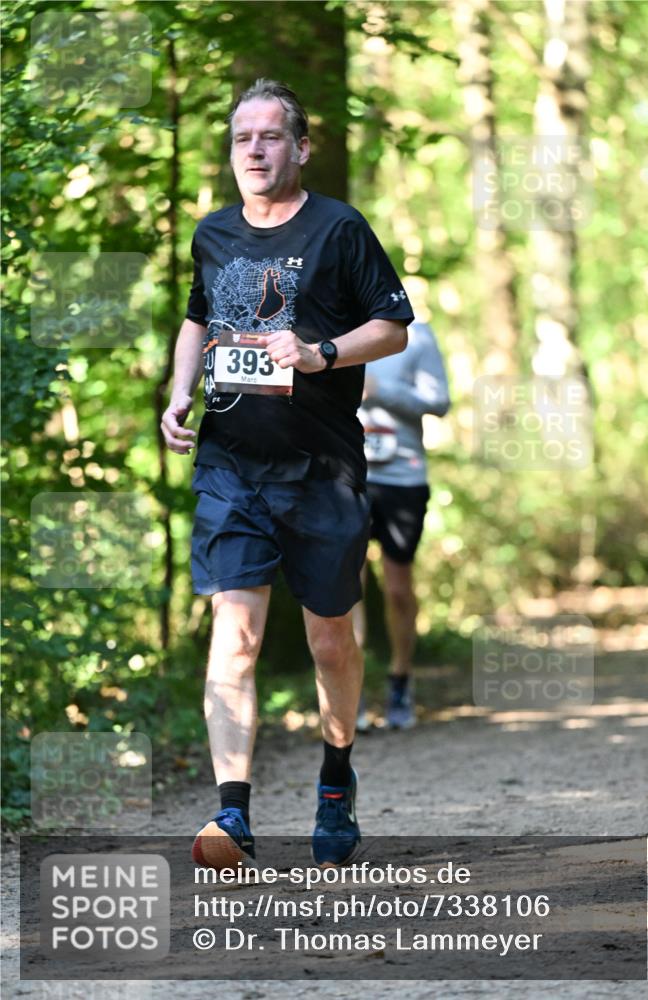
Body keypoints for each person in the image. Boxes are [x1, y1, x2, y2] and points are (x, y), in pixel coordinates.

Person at [160, 79, 413, 869]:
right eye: (243, 138)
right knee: (233, 635)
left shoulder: (339, 228)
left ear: (300, 147)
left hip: (323, 469)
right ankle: (231, 814)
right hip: (231, 464)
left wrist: (321, 353)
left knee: (330, 641)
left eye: (271, 137)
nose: (256, 151)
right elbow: (199, 316)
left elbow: (393, 327)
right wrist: (176, 395)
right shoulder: (213, 233)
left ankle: (335, 778)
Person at [353, 320, 449, 730]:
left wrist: (381, 391)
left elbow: (440, 401)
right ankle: (350, 688)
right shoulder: (333, 330)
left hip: (403, 478)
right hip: (348, 475)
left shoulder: (420, 335)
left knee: (397, 589)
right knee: (345, 588)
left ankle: (400, 680)